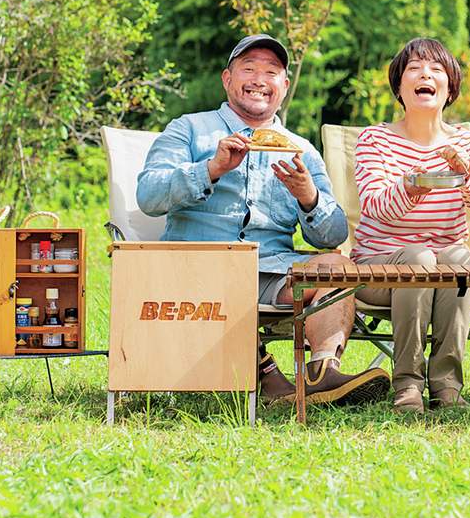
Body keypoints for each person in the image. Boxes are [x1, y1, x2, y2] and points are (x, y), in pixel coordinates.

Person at [137, 33, 390, 406]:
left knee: (338, 265)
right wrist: (211, 169)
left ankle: (322, 373)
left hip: (272, 273)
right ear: (227, 78)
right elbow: (148, 196)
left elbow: (333, 233)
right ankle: (268, 376)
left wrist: (309, 196)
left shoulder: (300, 150)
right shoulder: (189, 129)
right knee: (223, 266)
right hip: (198, 268)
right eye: (249, 68)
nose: (259, 79)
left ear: (284, 86)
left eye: (271, 71)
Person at [351, 38, 470, 413]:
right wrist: (412, 183)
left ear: (450, 88)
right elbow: (374, 205)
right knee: (420, 256)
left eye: (436, 69)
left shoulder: (468, 141)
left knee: (457, 256)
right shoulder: (375, 140)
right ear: (399, 87)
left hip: (444, 265)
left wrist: (466, 172)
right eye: (414, 68)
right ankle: (408, 385)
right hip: (378, 268)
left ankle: (447, 386)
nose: (425, 75)